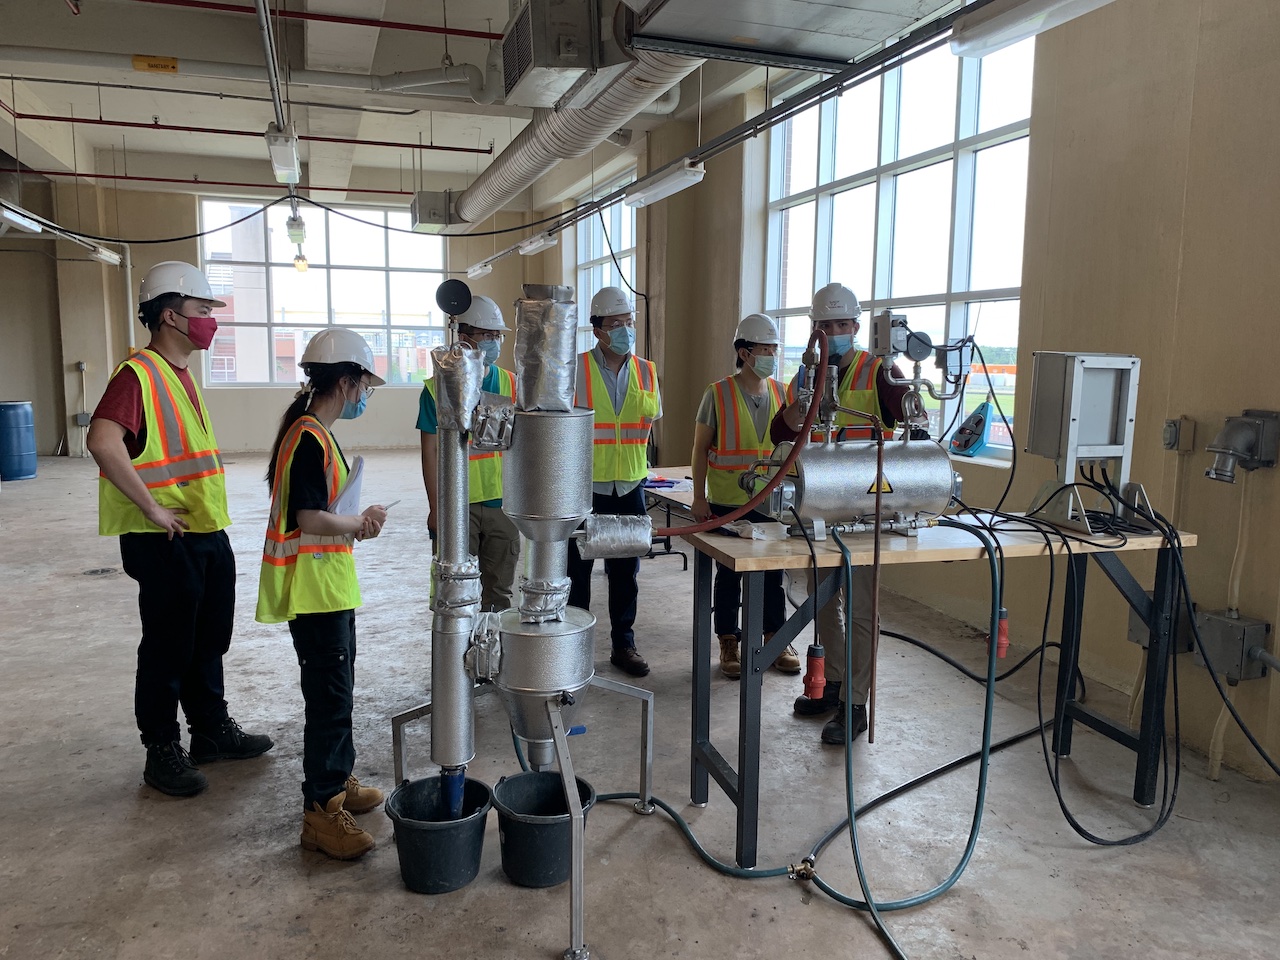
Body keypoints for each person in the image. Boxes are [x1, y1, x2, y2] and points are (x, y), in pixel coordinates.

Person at [87, 261, 273, 799]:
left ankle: (211, 731)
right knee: (169, 644)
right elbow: (102, 441)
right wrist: (150, 509)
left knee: (207, 638)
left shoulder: (179, 375)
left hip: (203, 529)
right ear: (170, 315)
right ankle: (161, 748)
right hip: (164, 537)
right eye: (203, 310)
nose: (211, 321)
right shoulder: (138, 374)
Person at [255, 328, 389, 861]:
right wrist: (357, 522)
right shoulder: (308, 436)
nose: (364, 397)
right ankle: (321, 811)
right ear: (346, 381)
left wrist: (356, 517)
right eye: (363, 386)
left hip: (328, 588)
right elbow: (309, 516)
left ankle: (339, 780)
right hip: (313, 594)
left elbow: (319, 510)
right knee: (330, 699)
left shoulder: (313, 432)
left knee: (339, 691)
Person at [770, 282, 912, 745]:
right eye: (824, 325)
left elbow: (910, 416)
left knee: (864, 608)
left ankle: (855, 703)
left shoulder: (879, 370)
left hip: (872, 506)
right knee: (825, 599)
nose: (833, 332)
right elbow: (779, 428)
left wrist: (910, 398)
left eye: (840, 324)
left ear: (856, 326)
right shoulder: (806, 374)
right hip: (823, 509)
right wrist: (800, 409)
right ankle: (832, 684)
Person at [690, 313, 799, 680]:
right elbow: (700, 448)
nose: (770, 355)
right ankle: (728, 640)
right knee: (728, 575)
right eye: (764, 349)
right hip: (727, 501)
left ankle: (775, 637)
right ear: (744, 352)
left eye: (773, 348)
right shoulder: (717, 393)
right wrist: (698, 497)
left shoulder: (783, 393)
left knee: (773, 572)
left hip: (772, 502)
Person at [567, 285, 662, 678]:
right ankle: (574, 646)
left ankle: (624, 644)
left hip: (631, 486)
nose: (625, 330)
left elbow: (647, 423)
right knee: (577, 573)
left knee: (626, 573)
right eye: (616, 324)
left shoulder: (647, 370)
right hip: (584, 487)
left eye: (629, 322)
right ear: (598, 331)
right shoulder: (574, 370)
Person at [418, 295, 520, 610]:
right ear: (464, 337)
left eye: (497, 336)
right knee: (453, 593)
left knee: (499, 594)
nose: (494, 342)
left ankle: (494, 656)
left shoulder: (510, 383)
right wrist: (436, 508)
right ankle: (458, 658)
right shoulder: (437, 387)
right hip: (456, 505)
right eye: (486, 335)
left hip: (502, 504)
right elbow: (431, 449)